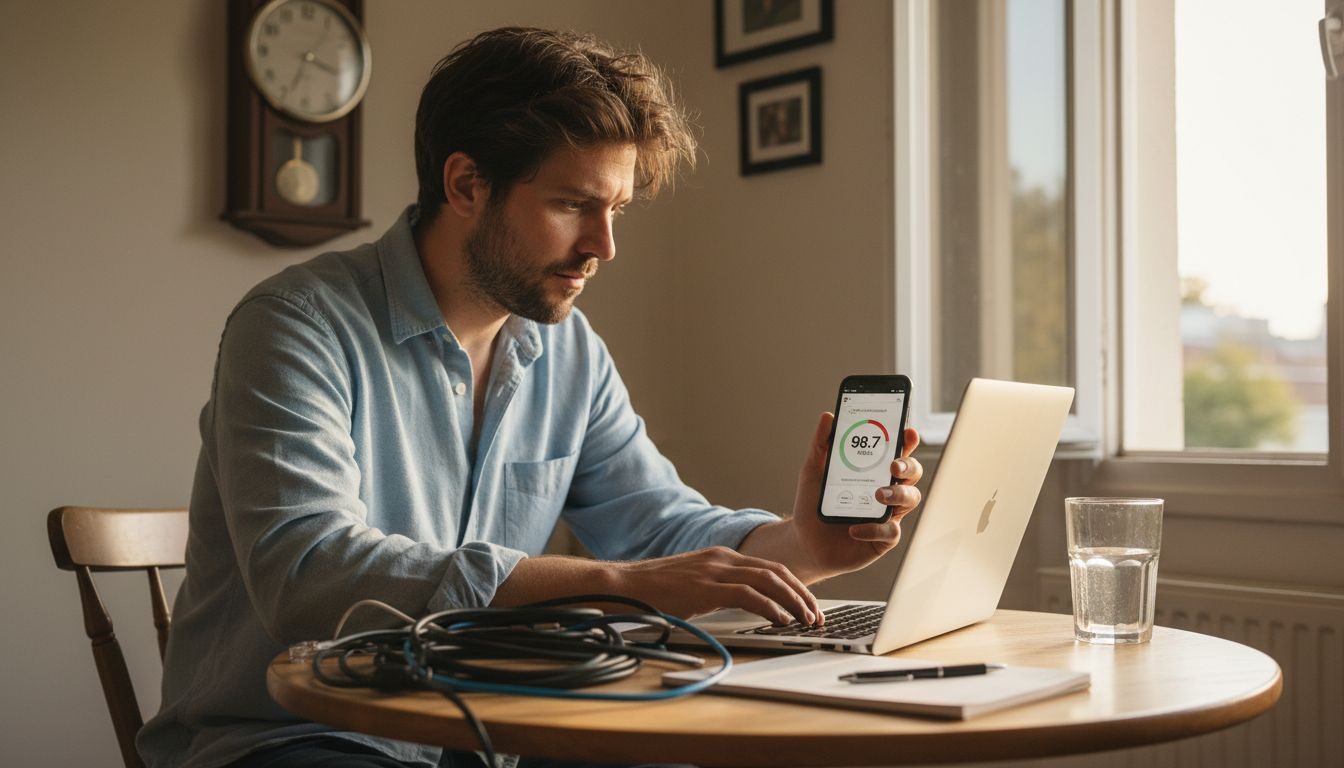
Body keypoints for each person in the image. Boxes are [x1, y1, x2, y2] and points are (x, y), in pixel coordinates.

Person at [138, 26, 923, 768]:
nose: (602, 247)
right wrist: (617, 584)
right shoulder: (295, 325)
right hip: (294, 735)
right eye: (573, 205)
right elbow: (309, 573)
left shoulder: (569, 352)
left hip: (493, 731)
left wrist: (807, 545)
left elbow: (661, 529)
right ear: (467, 183)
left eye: (615, 211)